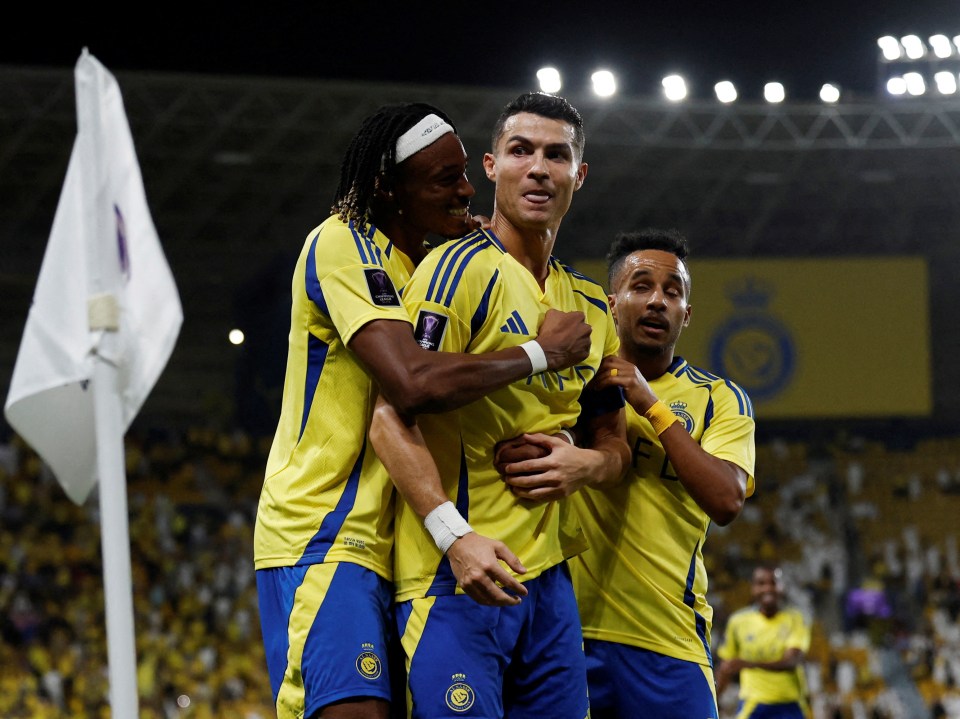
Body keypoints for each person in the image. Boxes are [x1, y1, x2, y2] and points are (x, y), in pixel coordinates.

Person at [253, 102, 593, 719]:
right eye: (445, 180)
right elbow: (410, 384)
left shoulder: (427, 262)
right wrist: (541, 353)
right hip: (326, 532)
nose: (466, 191)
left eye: (465, 174)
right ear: (389, 188)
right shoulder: (343, 242)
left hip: (397, 542)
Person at [370, 92, 630, 719]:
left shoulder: (592, 303)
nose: (539, 168)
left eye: (556, 155)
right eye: (522, 151)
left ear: (579, 174)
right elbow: (388, 418)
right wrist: (454, 540)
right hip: (456, 577)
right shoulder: (453, 271)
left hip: (548, 585)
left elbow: (614, 438)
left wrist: (585, 464)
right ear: (490, 167)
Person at [567, 228, 756, 719]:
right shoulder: (571, 384)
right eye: (642, 286)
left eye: (673, 293)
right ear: (611, 303)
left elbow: (726, 500)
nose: (657, 302)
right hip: (566, 638)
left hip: (668, 643)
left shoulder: (719, 398)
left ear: (686, 315)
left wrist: (650, 405)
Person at [716, 565, 812, 719]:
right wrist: (714, 700)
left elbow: (792, 661)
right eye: (761, 583)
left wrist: (749, 664)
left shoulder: (795, 619)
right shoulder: (738, 622)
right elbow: (727, 667)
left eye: (773, 583)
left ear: (782, 587)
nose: (768, 588)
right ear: (753, 588)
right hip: (752, 704)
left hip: (790, 704)